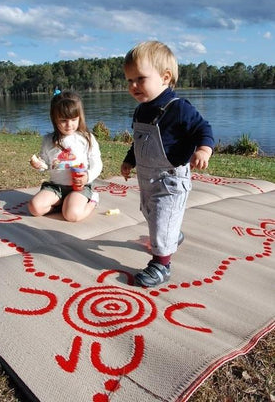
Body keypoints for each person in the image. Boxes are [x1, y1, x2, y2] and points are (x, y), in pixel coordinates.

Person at [121, 41, 214, 287]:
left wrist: (204, 148)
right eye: (129, 80)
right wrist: (130, 160)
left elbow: (202, 128)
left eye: (140, 78)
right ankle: (172, 236)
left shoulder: (178, 108)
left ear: (165, 77)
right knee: (152, 215)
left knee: (162, 219)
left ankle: (161, 265)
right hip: (147, 177)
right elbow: (139, 141)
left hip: (171, 180)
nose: (133, 86)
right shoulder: (141, 110)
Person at [28, 90, 102, 222]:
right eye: (63, 120)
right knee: (35, 208)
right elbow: (45, 165)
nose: (69, 125)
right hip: (56, 187)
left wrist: (87, 177)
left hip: (80, 187)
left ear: (80, 117)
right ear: (54, 119)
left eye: (74, 119)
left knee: (71, 215)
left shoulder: (86, 138)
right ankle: (62, 205)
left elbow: (97, 164)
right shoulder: (48, 140)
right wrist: (39, 165)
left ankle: (92, 201)